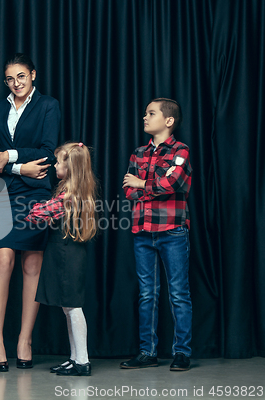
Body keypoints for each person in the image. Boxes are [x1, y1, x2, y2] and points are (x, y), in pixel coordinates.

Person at [0, 53, 61, 371]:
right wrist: (20, 168)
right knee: (2, 258)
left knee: (32, 265)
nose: (16, 84)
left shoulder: (48, 106)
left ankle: (24, 339)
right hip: (2, 191)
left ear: (33, 75)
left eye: (21, 77)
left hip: (36, 191)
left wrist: (11, 156)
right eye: (10, 79)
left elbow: (47, 151)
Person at [121, 98, 192, 371]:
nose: (145, 118)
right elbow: (129, 189)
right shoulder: (138, 153)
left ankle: (182, 352)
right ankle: (147, 352)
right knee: (147, 294)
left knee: (178, 294)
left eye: (151, 113)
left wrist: (143, 184)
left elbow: (173, 182)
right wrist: (148, 186)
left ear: (169, 121)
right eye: (145, 113)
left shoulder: (180, 151)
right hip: (142, 231)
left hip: (172, 231)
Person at [26, 142, 99, 376]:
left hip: (68, 254)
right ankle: (75, 357)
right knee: (68, 308)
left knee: (73, 308)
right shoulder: (73, 192)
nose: (55, 165)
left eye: (58, 162)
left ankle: (82, 361)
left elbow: (35, 215)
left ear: (70, 168)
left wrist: (40, 208)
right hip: (65, 252)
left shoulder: (68, 196)